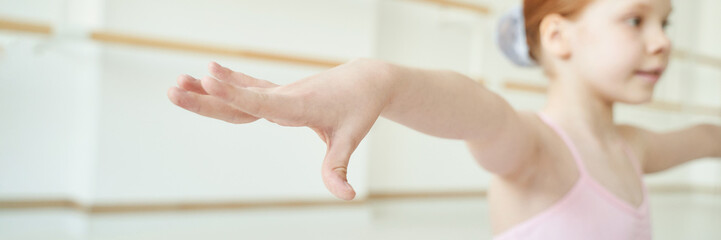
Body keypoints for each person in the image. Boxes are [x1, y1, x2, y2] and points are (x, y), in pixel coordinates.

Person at [167, 0, 721, 238]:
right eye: (636, 20)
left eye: (667, 23)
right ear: (558, 36)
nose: (661, 43)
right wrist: (382, 82)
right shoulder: (536, 148)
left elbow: (706, 137)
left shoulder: (632, 148)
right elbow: (478, 113)